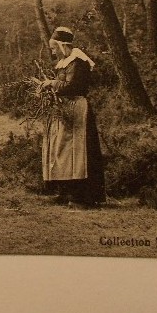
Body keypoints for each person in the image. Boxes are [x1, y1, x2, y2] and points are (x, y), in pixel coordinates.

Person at [38, 26, 105, 208]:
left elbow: (72, 87)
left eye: (53, 48)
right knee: (61, 151)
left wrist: (52, 83)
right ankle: (66, 192)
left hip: (77, 110)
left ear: (62, 45)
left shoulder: (78, 62)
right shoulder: (66, 62)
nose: (52, 52)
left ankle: (82, 197)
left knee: (77, 153)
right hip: (65, 110)